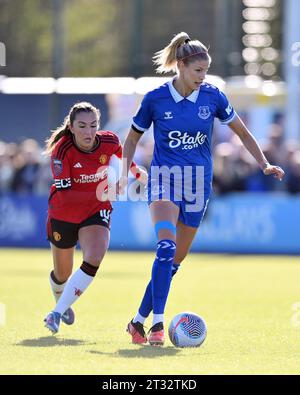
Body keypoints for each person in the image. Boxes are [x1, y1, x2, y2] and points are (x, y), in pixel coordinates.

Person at [120, 32, 285, 346]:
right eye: (198, 71)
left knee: (174, 262)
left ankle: (137, 321)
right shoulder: (155, 99)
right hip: (163, 180)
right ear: (181, 66)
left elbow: (243, 132)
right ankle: (157, 325)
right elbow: (131, 139)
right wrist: (124, 170)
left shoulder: (213, 96)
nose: (202, 77)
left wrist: (264, 163)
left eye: (205, 72)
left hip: (198, 185)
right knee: (165, 248)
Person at [44, 101, 146, 334]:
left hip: (96, 209)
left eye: (93, 125)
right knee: (62, 274)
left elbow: (122, 155)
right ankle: (61, 298)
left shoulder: (109, 140)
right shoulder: (62, 150)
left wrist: (135, 173)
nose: (89, 132)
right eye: (82, 126)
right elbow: (67, 194)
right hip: (64, 213)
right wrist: (106, 185)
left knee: (94, 256)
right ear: (71, 127)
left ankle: (56, 313)